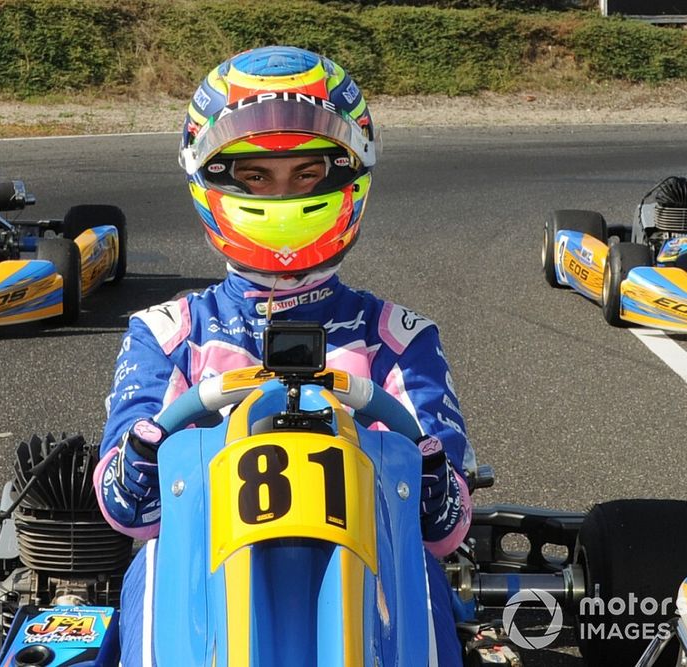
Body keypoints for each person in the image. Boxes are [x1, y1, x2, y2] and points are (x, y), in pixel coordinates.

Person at [94, 46, 476, 664]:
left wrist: (431, 472)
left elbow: (443, 525)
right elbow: (123, 506)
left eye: (306, 175)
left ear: (348, 177)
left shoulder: (398, 337)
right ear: (212, 179)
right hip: (202, 583)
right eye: (255, 176)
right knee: (154, 559)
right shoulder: (168, 333)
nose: (283, 195)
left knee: (423, 572)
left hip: (371, 580)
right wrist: (142, 452)